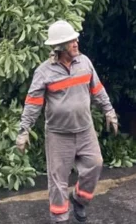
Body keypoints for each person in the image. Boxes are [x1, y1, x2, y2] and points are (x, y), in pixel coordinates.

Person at [15, 20, 119, 223]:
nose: (76, 43)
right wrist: (24, 130)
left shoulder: (85, 63)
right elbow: (33, 103)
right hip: (58, 134)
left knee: (95, 165)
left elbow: (98, 90)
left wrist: (109, 111)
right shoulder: (44, 72)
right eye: (71, 41)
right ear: (60, 47)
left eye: (75, 39)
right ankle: (60, 218)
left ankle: (79, 200)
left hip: (85, 130)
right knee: (58, 180)